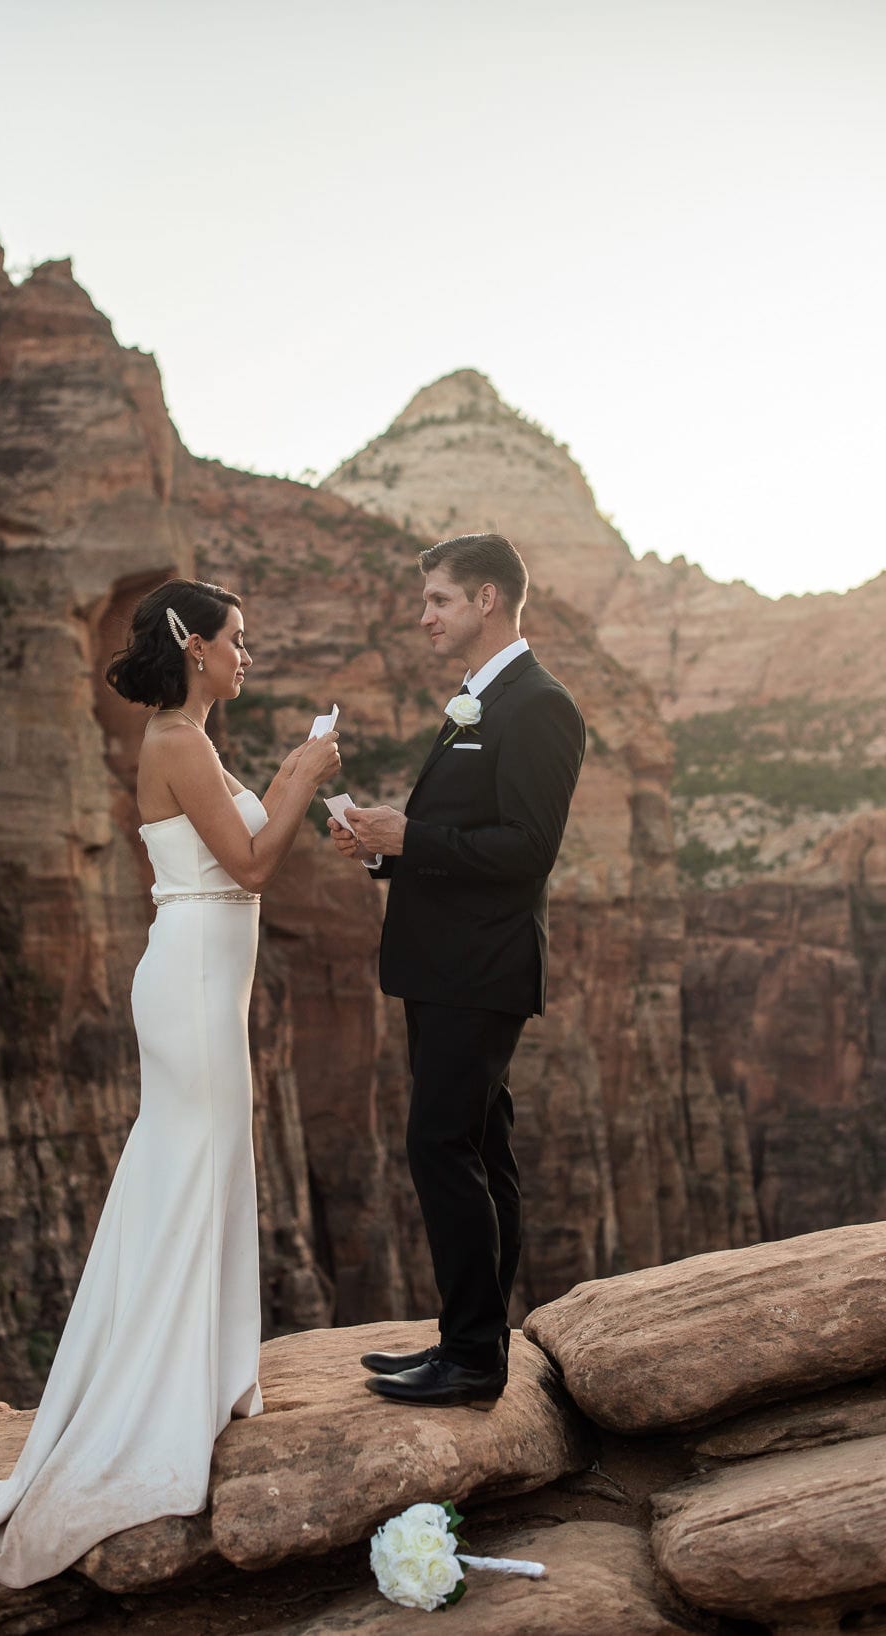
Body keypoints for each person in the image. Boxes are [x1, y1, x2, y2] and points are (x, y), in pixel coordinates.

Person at [0, 578, 340, 1585]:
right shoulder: (175, 742)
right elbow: (248, 865)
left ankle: (200, 1374)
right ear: (194, 647)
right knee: (189, 1169)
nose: (247, 655)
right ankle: (153, 1403)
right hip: (194, 984)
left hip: (203, 981)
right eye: (237, 641)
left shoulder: (190, 738)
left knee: (200, 1168)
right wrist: (303, 773)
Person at [329, 534, 585, 1409]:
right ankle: (471, 1342)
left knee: (439, 1144)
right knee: (481, 1149)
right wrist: (383, 848)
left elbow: (528, 851)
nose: (423, 615)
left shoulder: (539, 705)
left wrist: (412, 835)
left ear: (486, 600)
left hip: (480, 965)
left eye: (437, 599)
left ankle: (473, 1357)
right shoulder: (481, 701)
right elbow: (464, 837)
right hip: (447, 963)